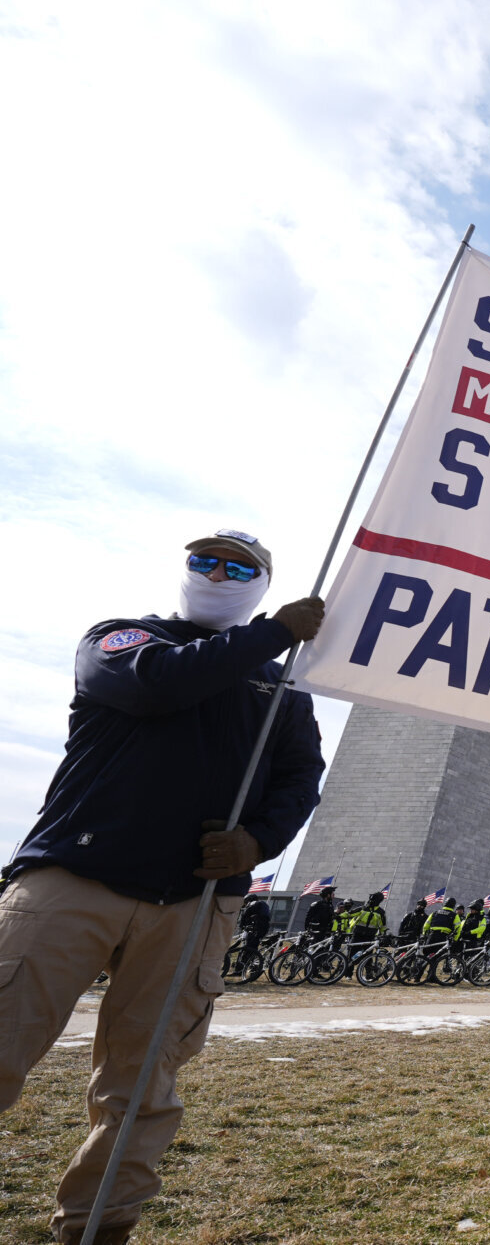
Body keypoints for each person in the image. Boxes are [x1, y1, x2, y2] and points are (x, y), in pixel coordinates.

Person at [0, 528, 325, 1245]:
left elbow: (302, 779)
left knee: (143, 1087)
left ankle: (99, 1227)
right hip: (74, 878)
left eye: (238, 566)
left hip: (194, 901)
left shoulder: (281, 688)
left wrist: (256, 842)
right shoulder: (121, 639)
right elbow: (159, 687)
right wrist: (271, 634)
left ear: (260, 583)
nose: (217, 572)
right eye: (203, 559)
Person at [237, 895, 273, 960]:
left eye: (245, 902)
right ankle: (252, 963)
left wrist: (241, 926)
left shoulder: (253, 903)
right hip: (264, 928)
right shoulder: (264, 905)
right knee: (254, 946)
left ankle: (241, 966)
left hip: (255, 927)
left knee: (248, 947)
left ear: (249, 900)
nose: (245, 904)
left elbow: (245, 914)